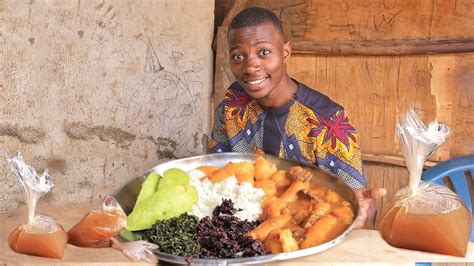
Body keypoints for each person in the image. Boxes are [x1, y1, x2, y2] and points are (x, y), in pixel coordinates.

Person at [208, 7, 386, 227]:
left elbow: (360, 201)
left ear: (285, 52)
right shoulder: (231, 104)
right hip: (237, 231)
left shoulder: (328, 122)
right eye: (238, 56)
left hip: (302, 235)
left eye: (263, 52)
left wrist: (361, 210)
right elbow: (215, 170)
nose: (250, 67)